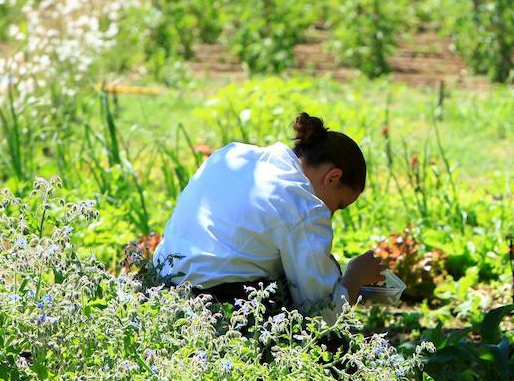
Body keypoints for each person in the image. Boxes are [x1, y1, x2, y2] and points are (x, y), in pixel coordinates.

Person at [153, 112, 384, 325]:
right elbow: (322, 315)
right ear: (332, 178)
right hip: (215, 306)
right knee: (330, 344)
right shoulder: (303, 203)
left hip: (161, 283)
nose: (331, 214)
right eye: (338, 205)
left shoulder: (231, 154)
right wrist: (355, 276)